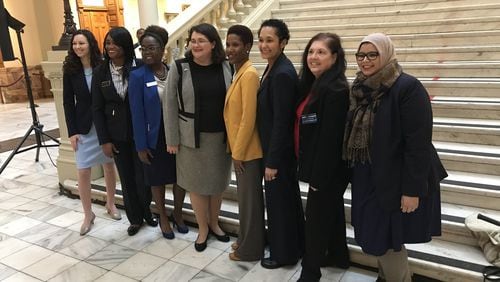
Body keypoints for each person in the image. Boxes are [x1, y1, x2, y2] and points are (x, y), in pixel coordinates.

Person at [344, 33, 447, 281]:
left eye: (372, 54)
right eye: (361, 55)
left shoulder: (407, 87)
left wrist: (412, 190)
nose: (365, 61)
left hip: (396, 179)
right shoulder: (360, 88)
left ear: (387, 54)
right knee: (375, 234)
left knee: (387, 238)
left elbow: (418, 143)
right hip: (369, 175)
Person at [164, 23, 232, 252]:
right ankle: (203, 228)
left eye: (201, 40)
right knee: (196, 186)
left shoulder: (227, 66)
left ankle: (215, 223)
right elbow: (170, 104)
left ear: (213, 44)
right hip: (190, 139)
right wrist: (171, 139)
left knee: (217, 185)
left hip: (221, 139)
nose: (196, 45)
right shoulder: (180, 67)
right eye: (193, 41)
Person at [295, 33, 350, 281]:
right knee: (333, 211)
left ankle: (310, 272)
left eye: (321, 52)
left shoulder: (336, 90)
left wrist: (318, 177)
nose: (313, 57)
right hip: (321, 167)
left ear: (335, 57)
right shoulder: (317, 85)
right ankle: (339, 256)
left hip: (328, 170)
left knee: (315, 222)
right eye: (311, 51)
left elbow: (331, 140)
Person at [93, 27, 157, 236]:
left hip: (140, 134)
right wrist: (104, 140)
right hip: (116, 136)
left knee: (143, 177)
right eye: (108, 43)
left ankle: (147, 211)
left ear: (126, 45)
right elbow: (97, 108)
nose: (110, 47)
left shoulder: (139, 67)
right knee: (127, 179)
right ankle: (135, 218)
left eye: (115, 43)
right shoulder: (100, 71)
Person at [128, 25, 189, 240]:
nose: (147, 53)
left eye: (152, 48)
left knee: (179, 177)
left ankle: (178, 213)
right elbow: (136, 114)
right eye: (143, 49)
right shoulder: (137, 76)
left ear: (162, 49)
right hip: (153, 138)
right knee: (157, 179)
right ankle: (163, 216)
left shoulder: (174, 71)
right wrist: (141, 146)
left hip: (176, 135)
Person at [62, 29, 121, 236]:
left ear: (90, 45)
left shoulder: (102, 65)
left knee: (109, 166)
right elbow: (68, 102)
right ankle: (88, 214)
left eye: (82, 43)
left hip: (104, 123)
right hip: (83, 126)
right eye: (75, 44)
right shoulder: (70, 69)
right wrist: (72, 131)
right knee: (83, 171)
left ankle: (111, 204)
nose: (78, 47)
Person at [256, 18, 305, 269]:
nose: (264, 45)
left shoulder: (283, 73)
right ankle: (293, 246)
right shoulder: (273, 67)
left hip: (279, 155)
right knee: (284, 201)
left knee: (279, 204)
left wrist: (272, 161)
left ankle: (283, 254)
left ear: (283, 42)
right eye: (261, 40)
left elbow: (282, 122)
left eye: (270, 40)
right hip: (274, 151)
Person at [224, 24, 265, 261]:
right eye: (228, 44)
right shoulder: (239, 71)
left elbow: (248, 118)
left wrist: (237, 152)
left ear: (248, 47)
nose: (230, 49)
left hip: (247, 151)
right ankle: (244, 241)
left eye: (235, 45)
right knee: (245, 202)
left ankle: (251, 249)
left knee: (250, 204)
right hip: (240, 150)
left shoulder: (249, 74)